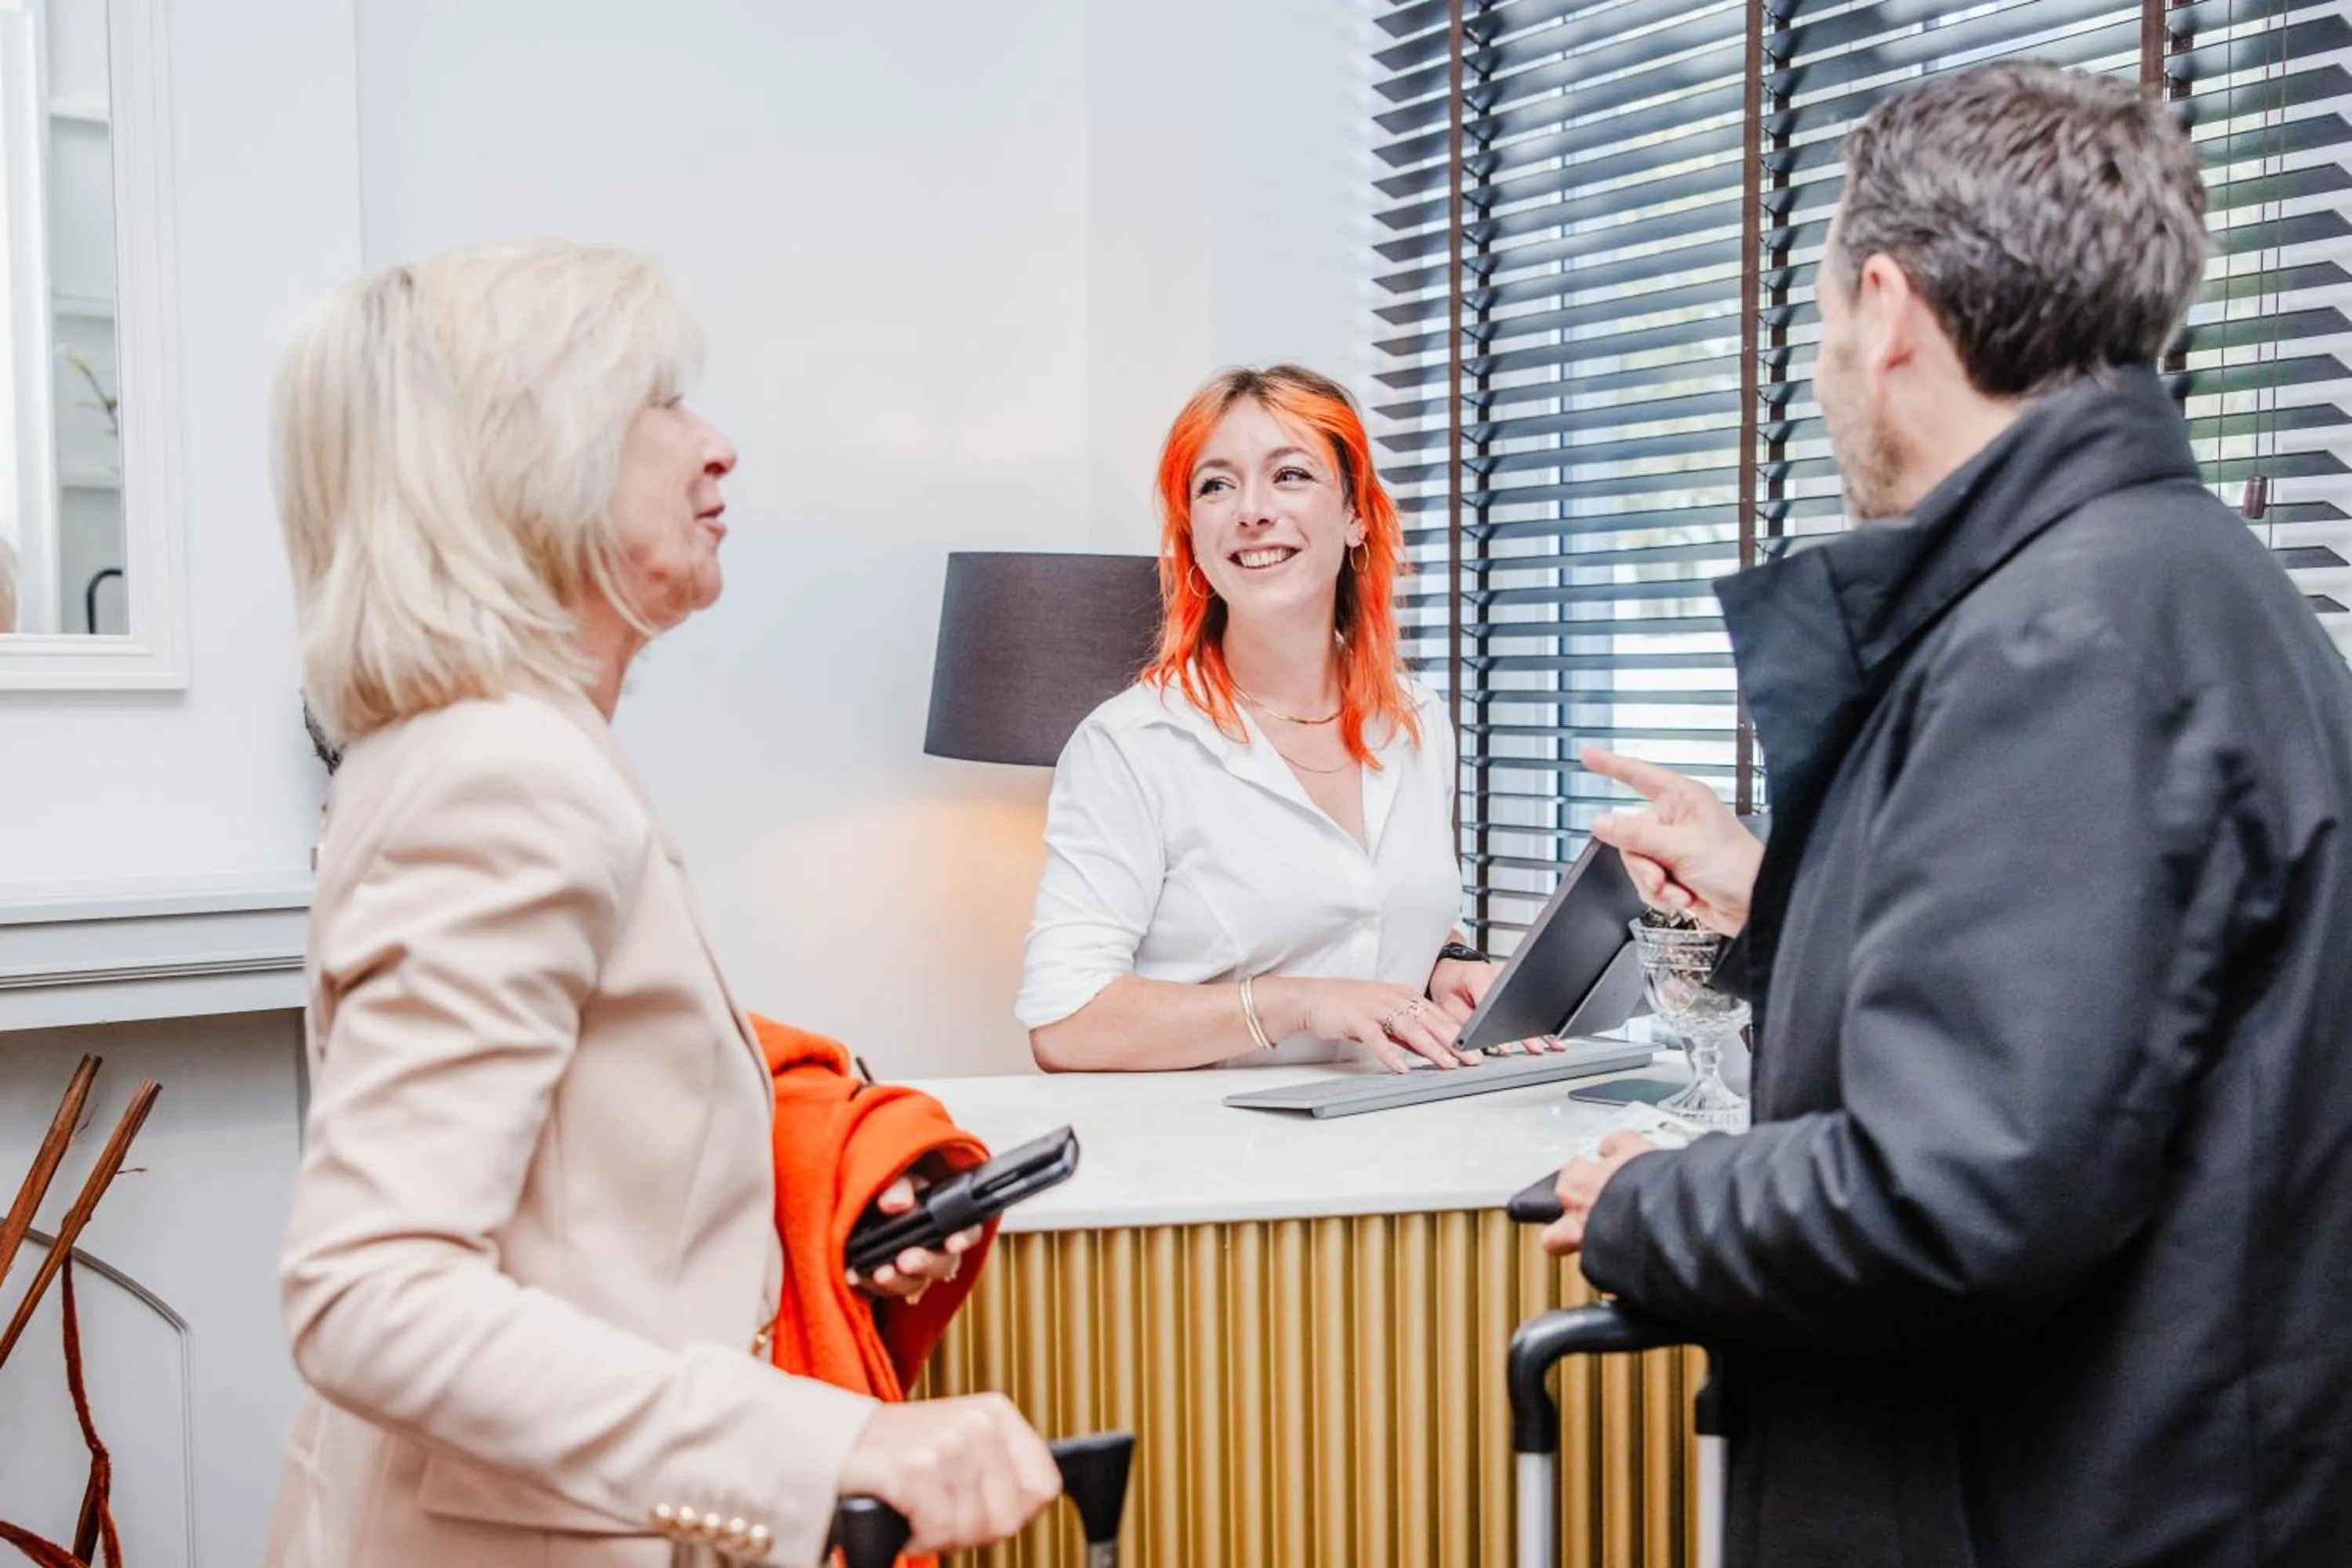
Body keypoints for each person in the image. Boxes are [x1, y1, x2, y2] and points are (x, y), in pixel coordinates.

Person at [1539, 62, 2352, 1566]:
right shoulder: (2179, 586)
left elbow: (1948, 1196)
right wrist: (1785, 900)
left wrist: (1655, 1201)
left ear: (1891, 308)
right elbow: (2096, 1022)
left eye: (1824, 318)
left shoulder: (2064, 643)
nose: (1825, 367)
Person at [265, 241, 1060, 1568]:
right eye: (664, 402)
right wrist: (825, 1447)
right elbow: (369, 1293)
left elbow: (577, 1190)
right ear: (534, 458)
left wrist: (818, 1213)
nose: (718, 446)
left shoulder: (499, 750)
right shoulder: (502, 778)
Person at [1018, 364, 1535, 1073]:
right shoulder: (1130, 746)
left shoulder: (1417, 719)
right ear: (1193, 536)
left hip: (1402, 1128)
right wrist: (1299, 1002)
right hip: (1211, 1140)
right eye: (1216, 485)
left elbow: (1369, 912)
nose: (1251, 510)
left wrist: (1448, 965)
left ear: (1355, 516)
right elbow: (1065, 1026)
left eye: (1289, 475)